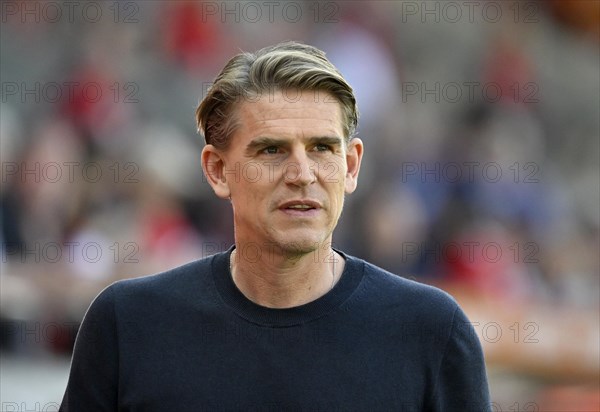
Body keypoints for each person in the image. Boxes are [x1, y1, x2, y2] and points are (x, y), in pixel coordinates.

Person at [60, 41, 491, 411]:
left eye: (322, 147)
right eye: (271, 150)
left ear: (351, 164)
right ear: (217, 171)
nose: (302, 173)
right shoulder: (129, 324)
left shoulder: (431, 332)